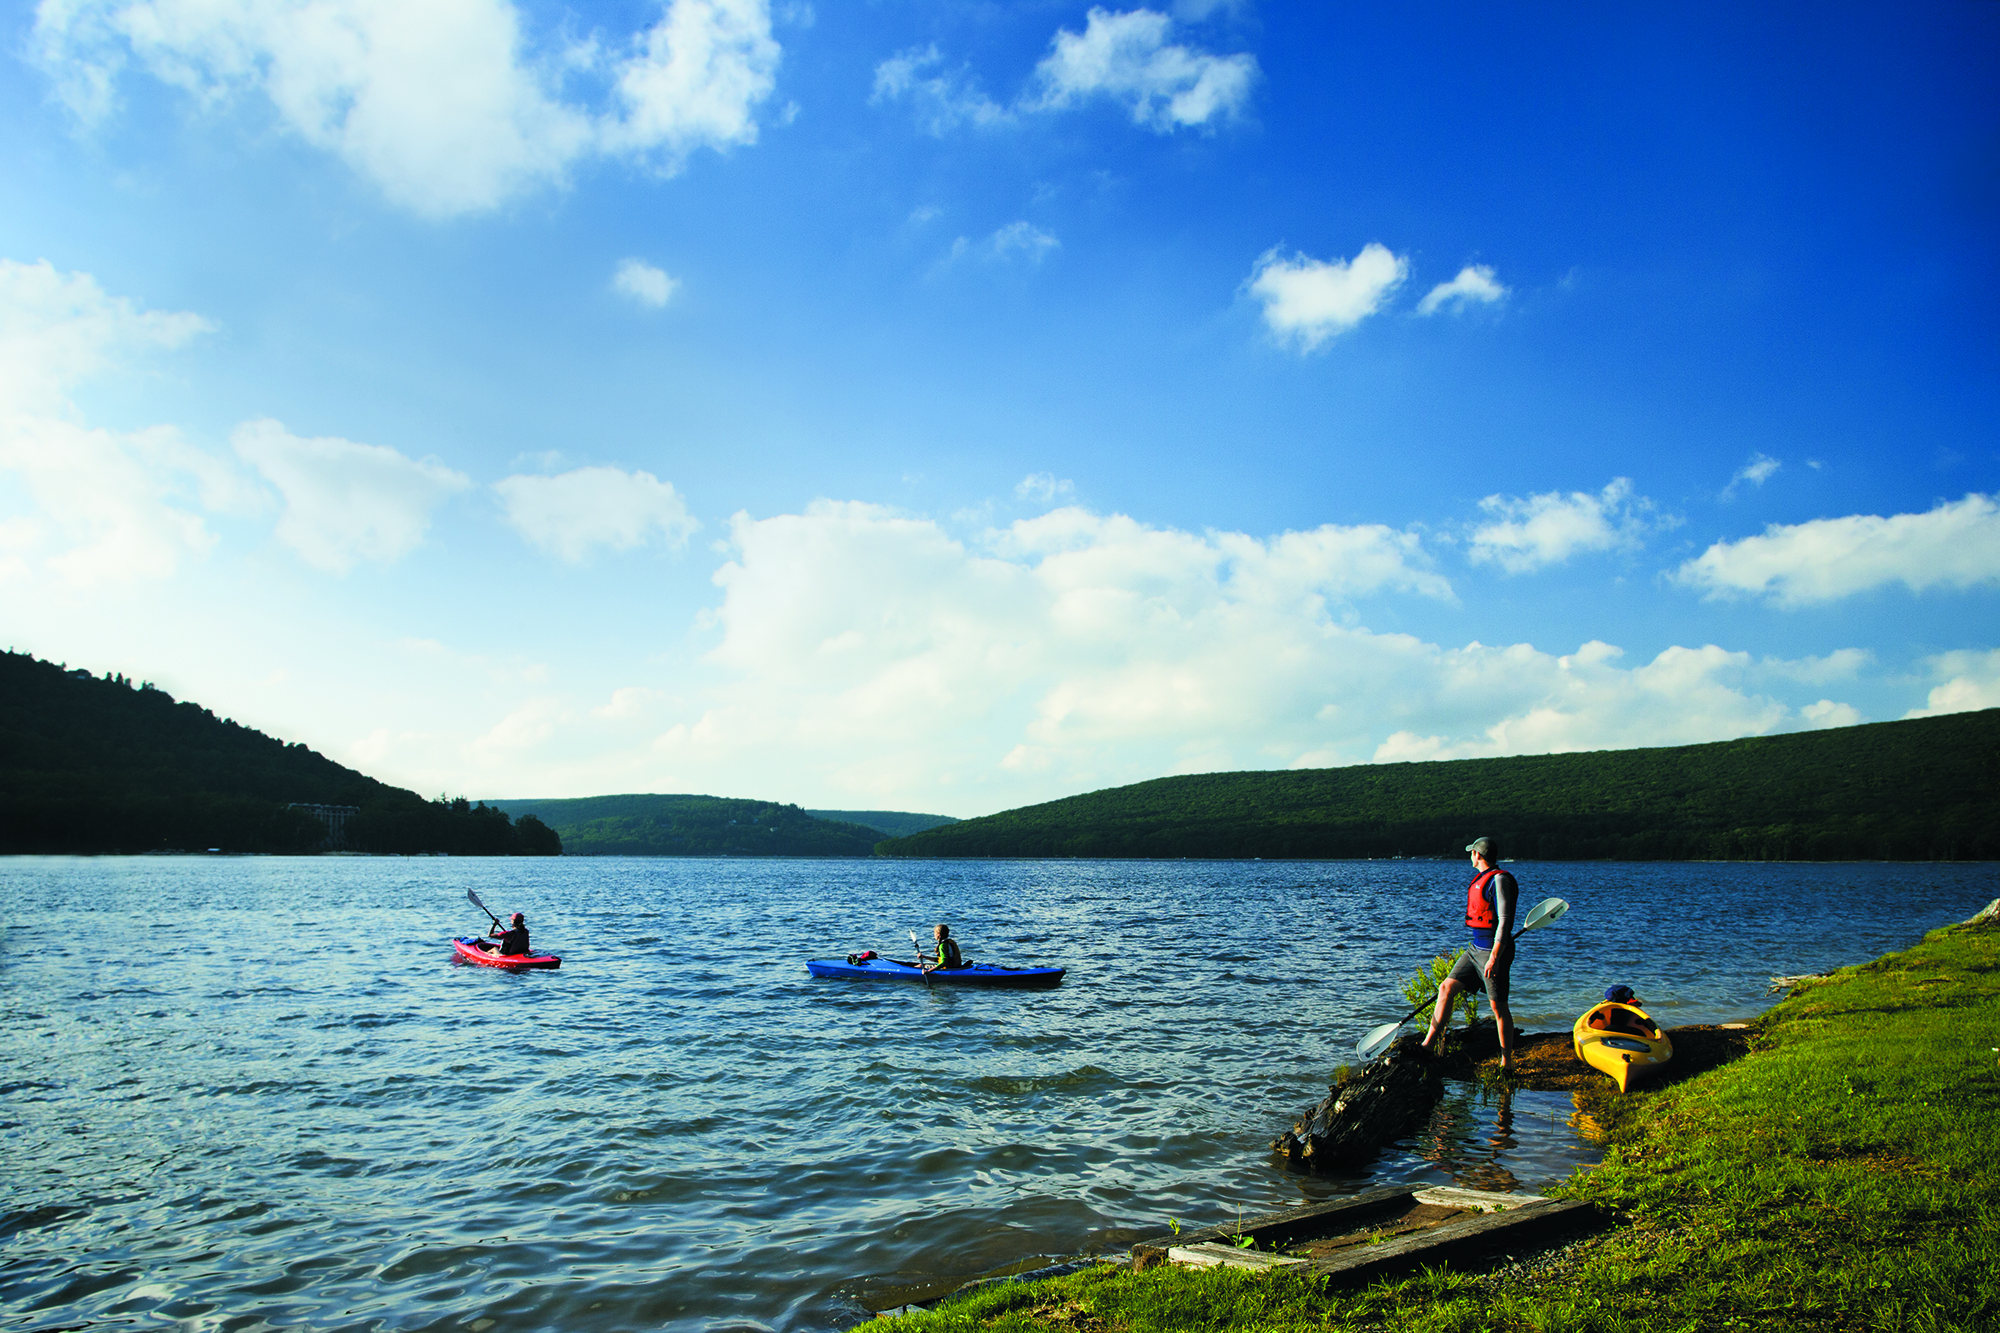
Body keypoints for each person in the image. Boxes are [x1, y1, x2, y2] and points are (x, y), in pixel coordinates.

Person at [1421, 836, 1519, 1073]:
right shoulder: (1482, 879)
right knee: (1446, 988)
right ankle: (1427, 1046)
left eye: (1472, 852)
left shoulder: (1500, 880)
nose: (1470, 856)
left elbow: (1505, 921)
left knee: (1498, 1008)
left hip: (1493, 951)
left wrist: (1495, 956)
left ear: (1478, 855)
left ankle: (1507, 1061)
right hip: (1475, 949)